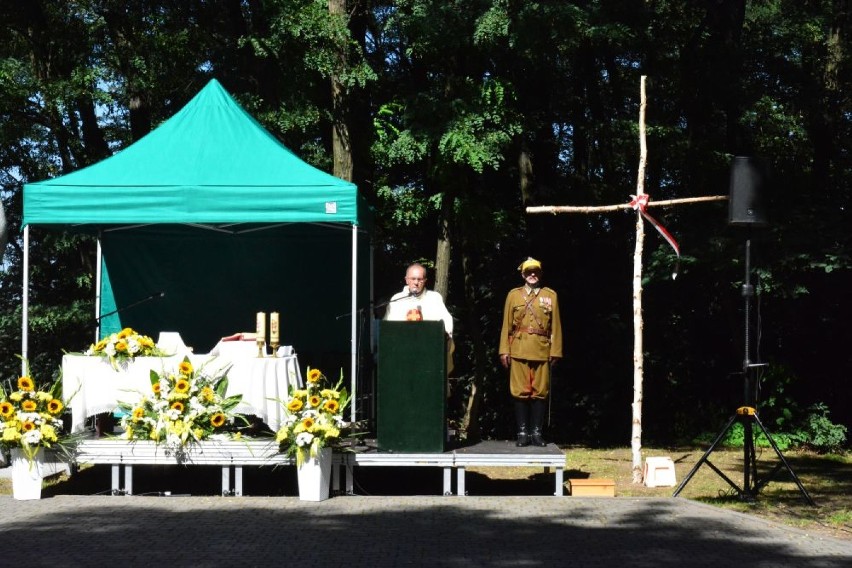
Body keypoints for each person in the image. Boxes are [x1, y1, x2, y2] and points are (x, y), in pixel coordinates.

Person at [498, 257, 562, 447]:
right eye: (528, 272)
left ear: (540, 274)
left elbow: (556, 326)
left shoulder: (550, 295)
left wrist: (556, 350)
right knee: (519, 392)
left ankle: (536, 433)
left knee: (540, 392)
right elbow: (506, 326)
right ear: (523, 274)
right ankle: (522, 433)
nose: (532, 274)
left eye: (535, 271)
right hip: (518, 348)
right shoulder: (513, 295)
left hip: (542, 350)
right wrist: (504, 350)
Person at [384, 263, 454, 374]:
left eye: (420, 279)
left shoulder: (434, 298)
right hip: (402, 359)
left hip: (430, 360)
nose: (416, 283)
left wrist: (446, 334)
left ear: (425, 280)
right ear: (406, 280)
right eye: (413, 279)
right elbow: (388, 330)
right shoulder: (396, 300)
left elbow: (447, 322)